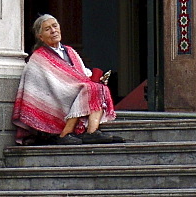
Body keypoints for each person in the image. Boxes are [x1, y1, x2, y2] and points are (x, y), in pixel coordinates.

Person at [12, 14, 122, 145]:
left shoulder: (70, 51)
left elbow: (82, 71)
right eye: (47, 29)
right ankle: (65, 133)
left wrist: (96, 78)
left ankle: (92, 132)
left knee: (98, 87)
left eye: (55, 26)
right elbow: (41, 87)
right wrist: (73, 85)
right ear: (40, 37)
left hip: (74, 90)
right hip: (55, 96)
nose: (53, 31)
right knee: (89, 88)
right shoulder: (38, 58)